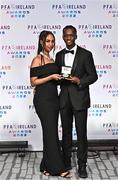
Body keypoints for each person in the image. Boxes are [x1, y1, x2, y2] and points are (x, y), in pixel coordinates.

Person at [55, 25, 98, 178]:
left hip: (80, 99)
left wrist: (80, 81)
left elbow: (93, 76)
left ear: (76, 36)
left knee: (81, 134)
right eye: (66, 35)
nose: (68, 38)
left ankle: (82, 166)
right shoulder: (59, 55)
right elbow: (57, 76)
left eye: (71, 35)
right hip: (64, 100)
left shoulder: (86, 54)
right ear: (62, 36)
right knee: (66, 133)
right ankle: (66, 162)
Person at [30, 30, 71, 178]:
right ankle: (57, 168)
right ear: (41, 42)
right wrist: (51, 76)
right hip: (43, 100)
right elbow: (33, 82)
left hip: (54, 99)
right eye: (47, 41)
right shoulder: (37, 59)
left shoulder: (53, 60)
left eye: (52, 41)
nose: (51, 44)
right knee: (51, 133)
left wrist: (62, 78)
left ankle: (46, 166)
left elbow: (55, 80)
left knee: (50, 132)